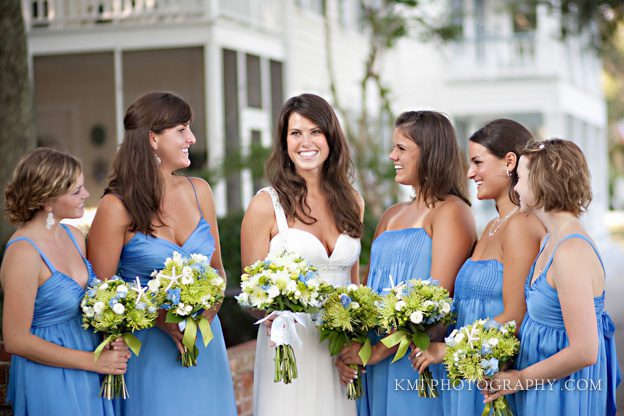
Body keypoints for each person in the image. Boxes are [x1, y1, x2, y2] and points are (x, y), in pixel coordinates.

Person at [87, 91, 237, 415]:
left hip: (205, 345)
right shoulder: (115, 207)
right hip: (149, 351)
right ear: (152, 138)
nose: (192, 138)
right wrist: (161, 320)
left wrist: (206, 314)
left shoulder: (200, 191)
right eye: (182, 130)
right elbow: (99, 293)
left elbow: (218, 271)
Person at [340, 111, 477, 415]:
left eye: (401, 148)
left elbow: (438, 303)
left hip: (414, 361)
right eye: (393, 148)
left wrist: (379, 350)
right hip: (372, 360)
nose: (392, 156)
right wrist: (356, 345)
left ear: (429, 153)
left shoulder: (452, 211)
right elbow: (367, 290)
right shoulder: (391, 215)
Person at [407, 119, 545, 415]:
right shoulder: (493, 226)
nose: (470, 173)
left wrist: (447, 350)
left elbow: (515, 316)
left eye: (478, 162)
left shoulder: (521, 225)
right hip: (465, 371)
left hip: (490, 378)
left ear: (509, 162)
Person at [241, 93, 364, 416]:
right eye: (296, 133)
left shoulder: (353, 201)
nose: (306, 142)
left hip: (338, 352)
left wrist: (355, 344)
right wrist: (274, 315)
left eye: (315, 131)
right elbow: (250, 292)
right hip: (289, 351)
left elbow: (355, 288)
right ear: (284, 143)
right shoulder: (265, 205)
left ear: (330, 137)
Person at [483, 139, 620, 416]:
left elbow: (585, 351)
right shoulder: (549, 239)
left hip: (564, 392)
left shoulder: (571, 251)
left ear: (541, 181)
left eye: (520, 178)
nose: (515, 188)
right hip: (541, 383)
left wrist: (521, 379)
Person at [1, 147, 128, 415]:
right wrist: (92, 361)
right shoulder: (23, 253)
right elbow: (15, 339)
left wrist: (111, 333)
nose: (86, 194)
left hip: (91, 365)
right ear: (47, 200)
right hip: (50, 375)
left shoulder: (74, 236)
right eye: (76, 191)